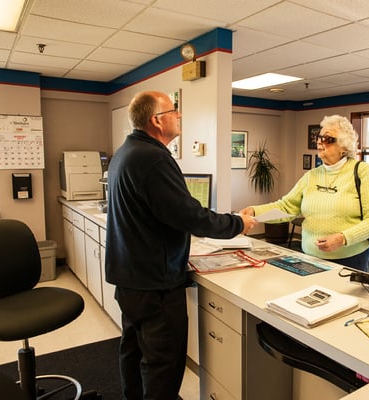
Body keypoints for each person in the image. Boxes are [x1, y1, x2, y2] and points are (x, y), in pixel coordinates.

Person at [105, 90, 257, 400]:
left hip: (130, 278)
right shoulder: (153, 158)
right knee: (164, 363)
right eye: (174, 111)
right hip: (154, 285)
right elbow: (189, 216)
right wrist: (237, 224)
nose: (180, 115)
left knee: (133, 351)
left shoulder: (126, 151)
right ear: (157, 120)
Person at [240, 114, 369, 271]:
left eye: (328, 139)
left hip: (350, 259)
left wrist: (342, 238)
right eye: (319, 137)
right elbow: (287, 206)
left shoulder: (362, 171)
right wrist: (255, 211)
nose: (320, 142)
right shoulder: (312, 175)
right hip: (310, 257)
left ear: (345, 147)